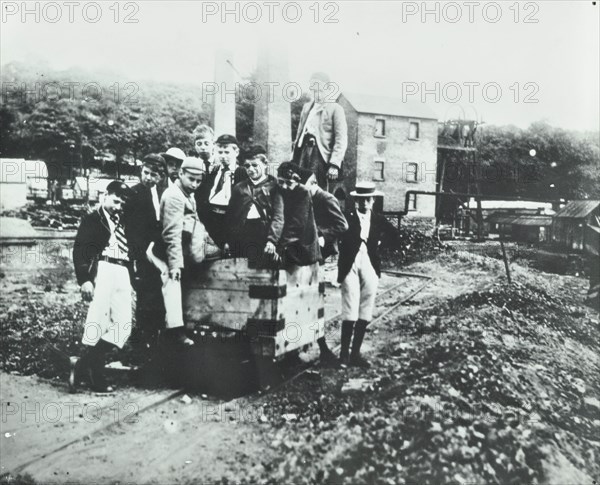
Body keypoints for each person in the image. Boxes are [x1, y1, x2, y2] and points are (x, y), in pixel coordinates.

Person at [70, 181, 135, 393]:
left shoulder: (125, 220)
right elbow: (80, 250)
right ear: (105, 195)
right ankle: (96, 377)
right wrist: (85, 280)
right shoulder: (93, 219)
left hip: (123, 270)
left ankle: (82, 363)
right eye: (115, 200)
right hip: (103, 268)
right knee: (98, 322)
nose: (118, 206)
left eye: (122, 203)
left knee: (124, 325)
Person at [337, 182, 399, 368]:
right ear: (356, 201)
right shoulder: (346, 217)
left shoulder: (379, 219)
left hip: (371, 265)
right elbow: (335, 231)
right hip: (350, 265)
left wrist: (380, 244)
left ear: (373, 201)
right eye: (360, 200)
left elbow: (395, 235)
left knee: (366, 307)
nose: (364, 203)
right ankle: (343, 356)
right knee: (350, 307)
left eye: (367, 200)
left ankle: (355, 355)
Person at [150, 157, 206, 347]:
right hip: (164, 250)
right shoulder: (174, 195)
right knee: (172, 284)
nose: (195, 184)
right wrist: (175, 265)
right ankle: (175, 331)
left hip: (180, 247)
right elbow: (171, 233)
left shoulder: (187, 193)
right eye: (191, 179)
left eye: (199, 181)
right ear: (180, 173)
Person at [125, 154, 168, 354]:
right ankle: (140, 343)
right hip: (141, 253)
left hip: (160, 253)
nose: (148, 177)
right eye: (146, 173)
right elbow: (130, 228)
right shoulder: (133, 194)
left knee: (161, 296)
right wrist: (136, 254)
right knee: (144, 296)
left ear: (161, 176)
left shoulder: (165, 193)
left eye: (153, 175)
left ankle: (157, 341)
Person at [225, 146, 283, 261]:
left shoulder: (274, 186)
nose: (251, 169)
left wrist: (272, 240)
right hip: (242, 235)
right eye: (247, 166)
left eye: (255, 165)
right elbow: (230, 216)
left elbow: (278, 216)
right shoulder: (239, 188)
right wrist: (228, 240)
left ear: (265, 164)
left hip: (264, 235)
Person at [292, 71, 348, 191]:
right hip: (302, 153)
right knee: (299, 186)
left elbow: (341, 139)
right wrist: (294, 154)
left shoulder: (336, 109)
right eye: (314, 90)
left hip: (320, 155)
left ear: (328, 88)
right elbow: (299, 133)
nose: (317, 94)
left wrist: (334, 164)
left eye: (320, 90)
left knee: (316, 190)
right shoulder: (307, 107)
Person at [196, 134, 247, 247]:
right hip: (212, 221)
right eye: (220, 152)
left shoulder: (241, 173)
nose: (223, 156)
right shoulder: (213, 172)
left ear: (236, 152)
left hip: (231, 221)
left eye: (227, 152)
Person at [276, 161, 320, 267]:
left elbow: (297, 223)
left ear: (297, 181)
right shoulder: (281, 190)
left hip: (301, 245)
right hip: (289, 242)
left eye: (289, 183)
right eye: (281, 182)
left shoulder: (303, 192)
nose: (284, 186)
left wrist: (280, 245)